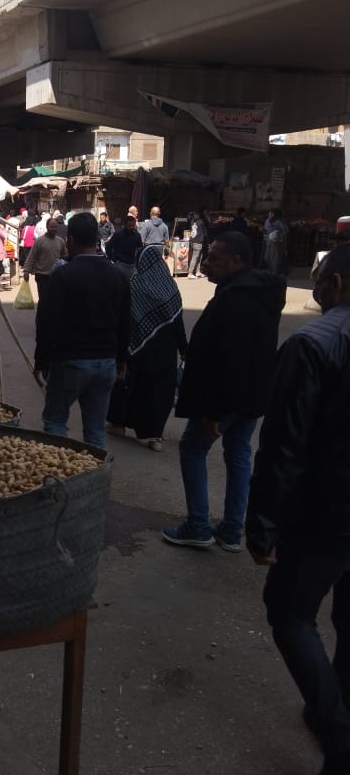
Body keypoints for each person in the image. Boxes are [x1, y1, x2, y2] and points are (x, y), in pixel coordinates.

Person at [245, 244, 350, 775]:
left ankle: (340, 737)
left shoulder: (312, 343)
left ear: (334, 284)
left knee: (290, 613)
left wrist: (262, 524)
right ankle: (334, 708)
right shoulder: (316, 343)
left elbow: (283, 445)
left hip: (325, 513)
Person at [161, 231, 286, 550]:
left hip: (228, 398)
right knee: (239, 453)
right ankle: (231, 529)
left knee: (193, 448)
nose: (206, 263)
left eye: (215, 258)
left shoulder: (237, 300)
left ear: (236, 261)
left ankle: (198, 525)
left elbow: (230, 360)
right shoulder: (257, 292)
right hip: (251, 395)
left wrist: (214, 413)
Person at [33, 212, 130, 450]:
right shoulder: (118, 276)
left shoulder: (63, 275)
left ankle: (61, 469)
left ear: (71, 239)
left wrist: (41, 360)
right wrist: (121, 359)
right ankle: (96, 472)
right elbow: (126, 322)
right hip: (106, 362)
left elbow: (46, 322)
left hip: (70, 361)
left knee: (56, 422)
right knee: (95, 431)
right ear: (96, 238)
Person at [106, 245, 187, 451]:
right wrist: (184, 350)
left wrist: (119, 348)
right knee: (158, 393)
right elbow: (178, 322)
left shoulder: (135, 285)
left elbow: (124, 320)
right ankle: (154, 435)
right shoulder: (171, 287)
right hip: (165, 352)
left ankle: (118, 425)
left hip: (137, 348)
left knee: (129, 386)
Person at [23, 215, 68, 305]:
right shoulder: (39, 241)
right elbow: (31, 256)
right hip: (42, 276)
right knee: (43, 300)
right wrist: (26, 271)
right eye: (51, 227)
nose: (54, 229)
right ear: (47, 227)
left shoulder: (60, 241)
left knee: (55, 300)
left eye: (55, 227)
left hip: (56, 276)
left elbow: (65, 255)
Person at [105, 214, 143, 280]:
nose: (131, 227)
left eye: (133, 225)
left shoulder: (137, 235)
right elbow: (108, 246)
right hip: (120, 264)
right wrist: (113, 259)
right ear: (125, 225)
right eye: (129, 225)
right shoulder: (118, 234)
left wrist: (137, 263)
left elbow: (140, 249)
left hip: (132, 265)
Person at [262, 209, 289, 276]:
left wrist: (279, 238)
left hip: (276, 244)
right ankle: (271, 271)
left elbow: (285, 231)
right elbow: (266, 230)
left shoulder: (279, 222)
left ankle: (274, 274)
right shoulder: (267, 221)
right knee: (267, 258)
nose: (270, 215)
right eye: (269, 213)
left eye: (272, 213)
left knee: (275, 259)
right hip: (268, 242)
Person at [187, 207, 210, 278]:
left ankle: (197, 272)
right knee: (195, 257)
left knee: (199, 257)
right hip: (198, 241)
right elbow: (205, 232)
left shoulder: (192, 221)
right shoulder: (201, 222)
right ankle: (190, 273)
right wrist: (207, 241)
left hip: (192, 241)